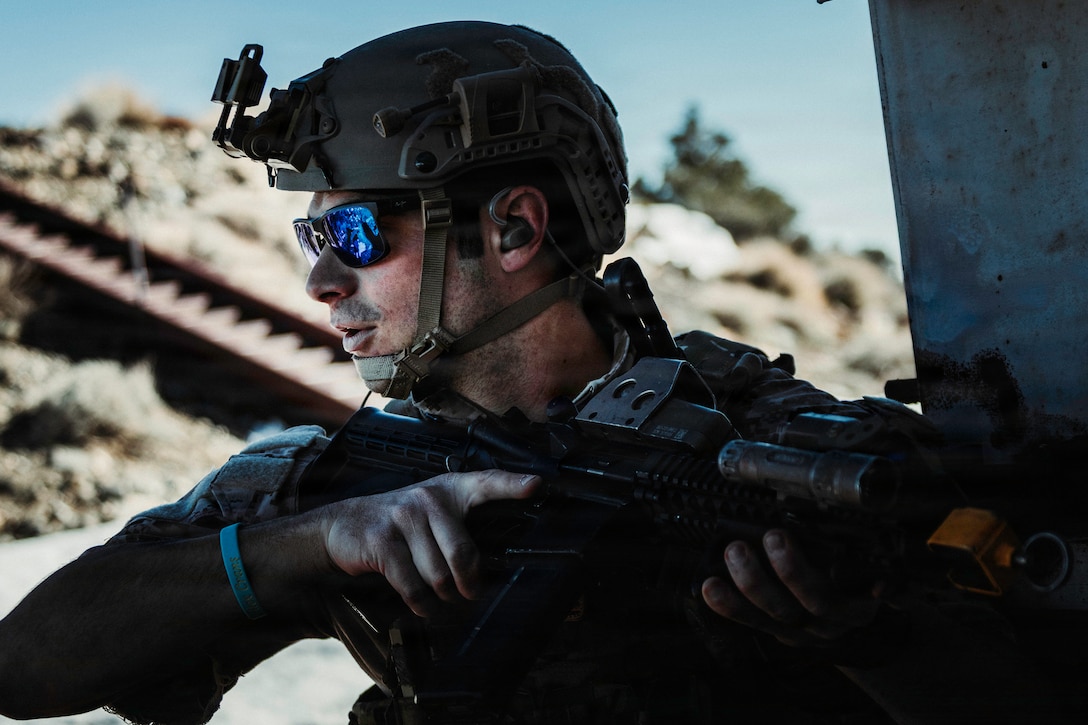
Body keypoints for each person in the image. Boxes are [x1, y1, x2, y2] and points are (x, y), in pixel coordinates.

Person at [0, 21, 1079, 725]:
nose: (323, 279)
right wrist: (304, 550)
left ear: (513, 225)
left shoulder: (768, 442)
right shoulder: (349, 472)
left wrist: (872, 636)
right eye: (311, 237)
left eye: (360, 234)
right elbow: (29, 664)